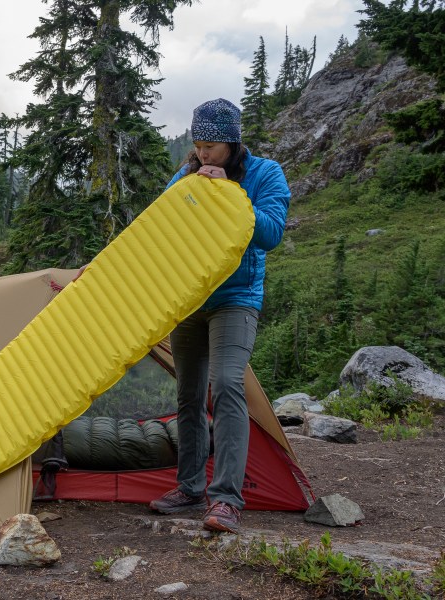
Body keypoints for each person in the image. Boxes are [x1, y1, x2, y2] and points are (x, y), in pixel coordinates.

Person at [148, 98, 291, 533]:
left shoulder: (266, 174)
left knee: (227, 385)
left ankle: (226, 498)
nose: (202, 153)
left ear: (231, 143)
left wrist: (228, 192)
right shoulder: (186, 176)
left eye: (210, 146)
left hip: (236, 299)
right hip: (189, 299)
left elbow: (270, 233)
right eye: (198, 145)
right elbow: (156, 229)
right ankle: (190, 487)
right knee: (188, 394)